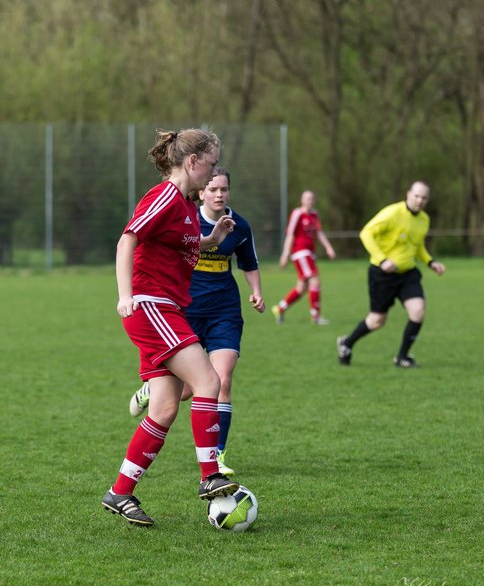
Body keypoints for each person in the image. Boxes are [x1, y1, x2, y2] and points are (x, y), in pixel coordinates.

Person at [102, 128, 240, 527]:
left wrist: (212, 239)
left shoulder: (182, 205)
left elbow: (185, 244)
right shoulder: (164, 196)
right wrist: (125, 295)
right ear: (193, 162)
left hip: (165, 308)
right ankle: (209, 475)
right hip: (151, 306)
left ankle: (120, 493)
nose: (214, 175)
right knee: (209, 382)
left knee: (163, 407)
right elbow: (127, 240)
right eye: (211, 165)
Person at [127, 167, 264, 476]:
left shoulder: (237, 225)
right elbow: (130, 239)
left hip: (224, 311)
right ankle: (152, 390)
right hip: (182, 309)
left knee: (220, 380)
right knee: (185, 391)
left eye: (224, 189)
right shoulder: (180, 210)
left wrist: (256, 291)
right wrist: (126, 294)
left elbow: (249, 263)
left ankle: (216, 459)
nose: (218, 194)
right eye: (213, 188)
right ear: (201, 190)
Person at [336, 181, 443, 368]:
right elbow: (366, 233)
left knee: (418, 311)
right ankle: (347, 343)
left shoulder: (424, 220)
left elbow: (417, 245)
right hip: (382, 276)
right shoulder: (392, 213)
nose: (419, 200)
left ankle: (402, 357)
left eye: (424, 198)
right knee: (377, 321)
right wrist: (382, 259)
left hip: (408, 273)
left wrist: (430, 262)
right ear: (408, 193)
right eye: (416, 196)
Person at [271, 190, 335, 325]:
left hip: (310, 253)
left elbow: (319, 233)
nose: (309, 201)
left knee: (302, 288)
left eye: (311, 198)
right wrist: (285, 255)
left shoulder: (314, 214)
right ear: (302, 200)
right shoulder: (297, 214)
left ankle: (280, 308)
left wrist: (328, 247)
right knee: (315, 280)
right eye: (307, 198)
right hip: (300, 253)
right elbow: (290, 235)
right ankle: (316, 317)